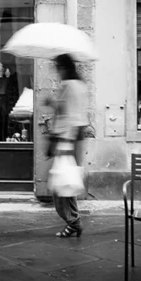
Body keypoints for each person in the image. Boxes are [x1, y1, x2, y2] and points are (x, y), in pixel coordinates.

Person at [49, 53, 88, 238]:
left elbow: (70, 115)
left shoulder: (69, 86)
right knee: (66, 184)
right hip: (72, 139)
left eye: (58, 68)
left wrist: (65, 143)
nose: (57, 72)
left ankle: (74, 222)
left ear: (64, 68)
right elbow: (72, 113)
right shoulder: (80, 85)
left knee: (61, 186)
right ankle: (73, 221)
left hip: (66, 139)